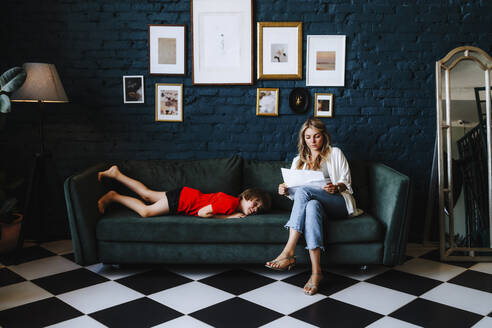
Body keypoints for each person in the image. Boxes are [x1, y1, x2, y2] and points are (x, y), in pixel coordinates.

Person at [265, 118, 361, 295]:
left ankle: (288, 251)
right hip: (317, 207)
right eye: (308, 137)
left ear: (324, 136)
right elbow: (297, 198)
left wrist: (336, 187)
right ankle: (316, 272)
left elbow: (347, 183)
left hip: (337, 203)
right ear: (303, 139)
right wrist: (285, 191)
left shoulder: (335, 153)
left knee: (304, 192)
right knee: (311, 206)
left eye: (317, 136)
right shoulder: (298, 161)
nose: (313, 141)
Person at [97, 165, 271, 219]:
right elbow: (203, 213)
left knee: (147, 195)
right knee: (145, 211)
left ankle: (116, 174)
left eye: (258, 209)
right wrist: (230, 217)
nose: (255, 209)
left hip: (186, 195)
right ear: (246, 196)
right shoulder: (230, 204)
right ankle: (115, 196)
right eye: (255, 203)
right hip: (183, 201)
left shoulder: (231, 202)